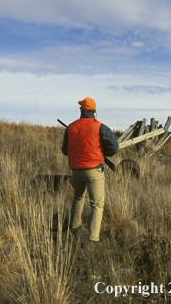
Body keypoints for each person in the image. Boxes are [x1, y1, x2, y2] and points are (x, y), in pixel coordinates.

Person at [61, 97, 119, 246]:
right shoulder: (101, 127)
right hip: (94, 170)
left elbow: (65, 151)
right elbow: (114, 148)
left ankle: (74, 228)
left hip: (76, 170)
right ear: (94, 111)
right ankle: (93, 239)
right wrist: (100, 151)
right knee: (97, 205)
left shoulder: (71, 127)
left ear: (82, 110)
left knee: (78, 198)